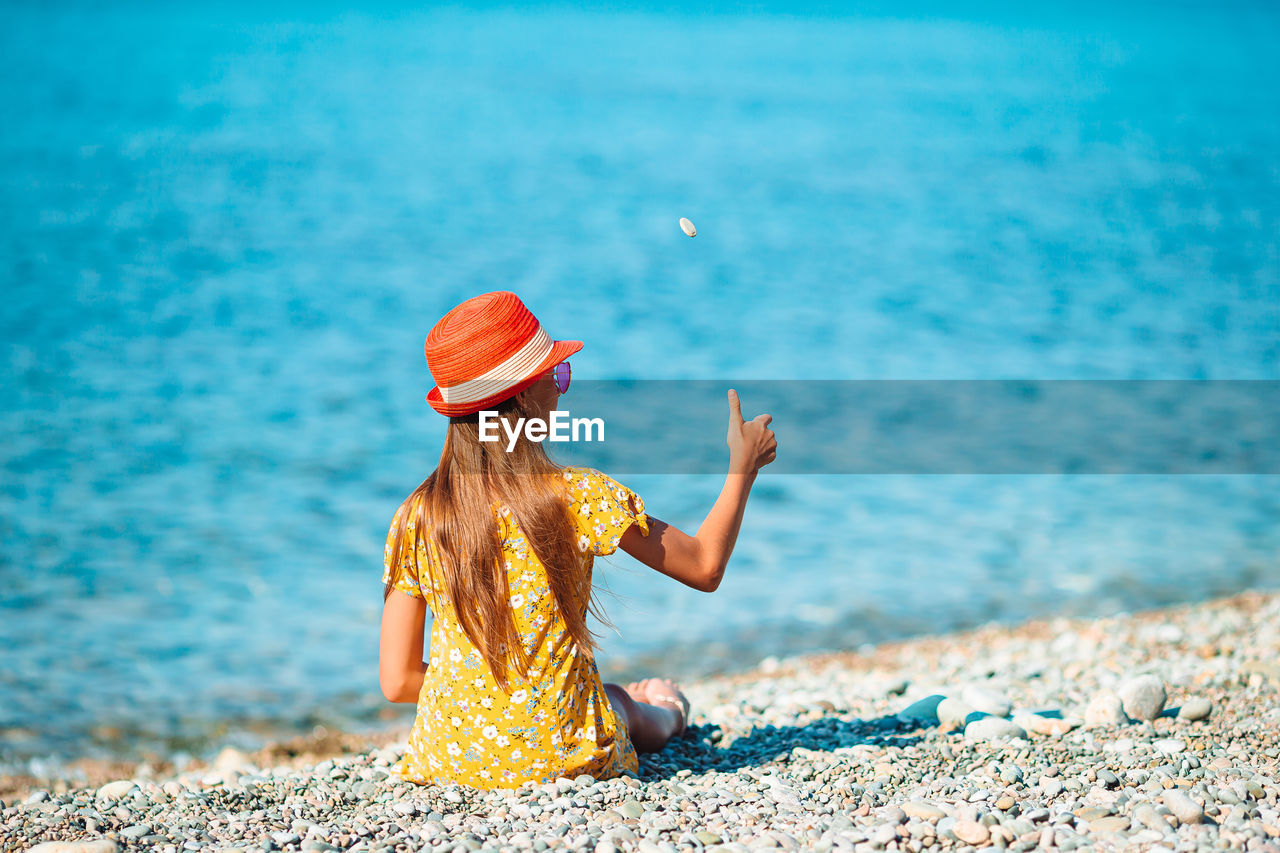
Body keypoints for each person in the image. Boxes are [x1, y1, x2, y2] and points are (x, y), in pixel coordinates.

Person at [378, 291, 777, 789]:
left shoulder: (415, 517)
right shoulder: (578, 497)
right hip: (567, 755)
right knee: (618, 703)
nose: (563, 391)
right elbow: (703, 566)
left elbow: (396, 683)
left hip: (448, 761)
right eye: (557, 375)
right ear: (523, 395)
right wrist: (743, 467)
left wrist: (481, 701)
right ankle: (672, 710)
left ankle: (640, 706)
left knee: (603, 697)